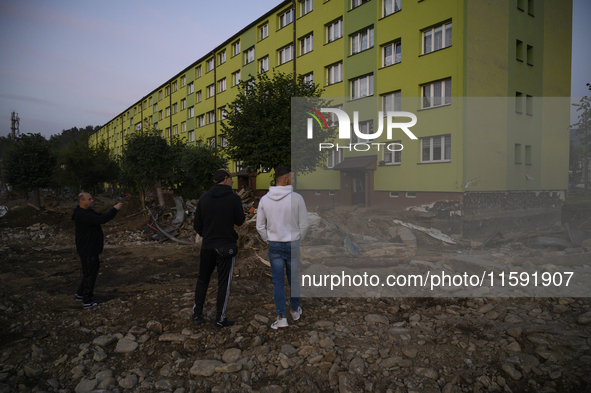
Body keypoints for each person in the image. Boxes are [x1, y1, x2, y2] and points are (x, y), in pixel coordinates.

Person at [256, 167, 309, 329]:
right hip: (292, 244)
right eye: (291, 177)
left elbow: (260, 226)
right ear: (285, 179)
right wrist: (298, 238)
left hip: (275, 246)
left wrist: (269, 240)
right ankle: (294, 310)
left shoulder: (265, 199)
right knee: (294, 280)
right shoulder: (297, 198)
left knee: (278, 282)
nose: (293, 180)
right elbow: (305, 224)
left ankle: (281, 318)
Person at [193, 168, 245, 329]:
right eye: (231, 178)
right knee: (224, 283)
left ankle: (197, 314)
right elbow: (240, 221)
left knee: (203, 279)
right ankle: (219, 319)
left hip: (207, 246)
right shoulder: (233, 198)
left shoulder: (204, 198)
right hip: (226, 247)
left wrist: (208, 235)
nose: (232, 181)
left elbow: (197, 225)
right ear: (225, 179)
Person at [72, 193, 123, 309]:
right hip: (87, 248)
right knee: (90, 274)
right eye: (89, 199)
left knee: (90, 272)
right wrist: (115, 209)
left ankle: (80, 294)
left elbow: (100, 216)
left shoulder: (88, 212)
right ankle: (87, 300)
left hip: (90, 248)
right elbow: (102, 219)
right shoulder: (82, 214)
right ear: (82, 201)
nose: (92, 200)